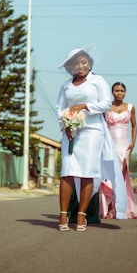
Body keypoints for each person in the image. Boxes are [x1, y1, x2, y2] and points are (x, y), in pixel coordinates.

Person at [56, 45, 126, 232]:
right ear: (71, 67)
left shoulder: (98, 81)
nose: (81, 66)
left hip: (92, 131)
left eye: (84, 62)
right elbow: (60, 108)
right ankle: (63, 215)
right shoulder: (66, 85)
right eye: (77, 63)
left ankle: (82, 215)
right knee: (67, 171)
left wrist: (84, 106)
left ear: (89, 63)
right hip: (70, 132)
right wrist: (66, 125)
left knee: (87, 172)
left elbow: (105, 104)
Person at [100, 82, 137, 219]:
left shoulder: (130, 107)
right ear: (112, 92)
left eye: (122, 91)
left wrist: (133, 143)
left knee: (120, 176)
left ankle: (114, 208)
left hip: (124, 145)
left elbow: (134, 126)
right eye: (116, 90)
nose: (119, 93)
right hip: (109, 144)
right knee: (109, 176)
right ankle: (110, 206)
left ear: (125, 92)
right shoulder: (106, 107)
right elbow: (102, 126)